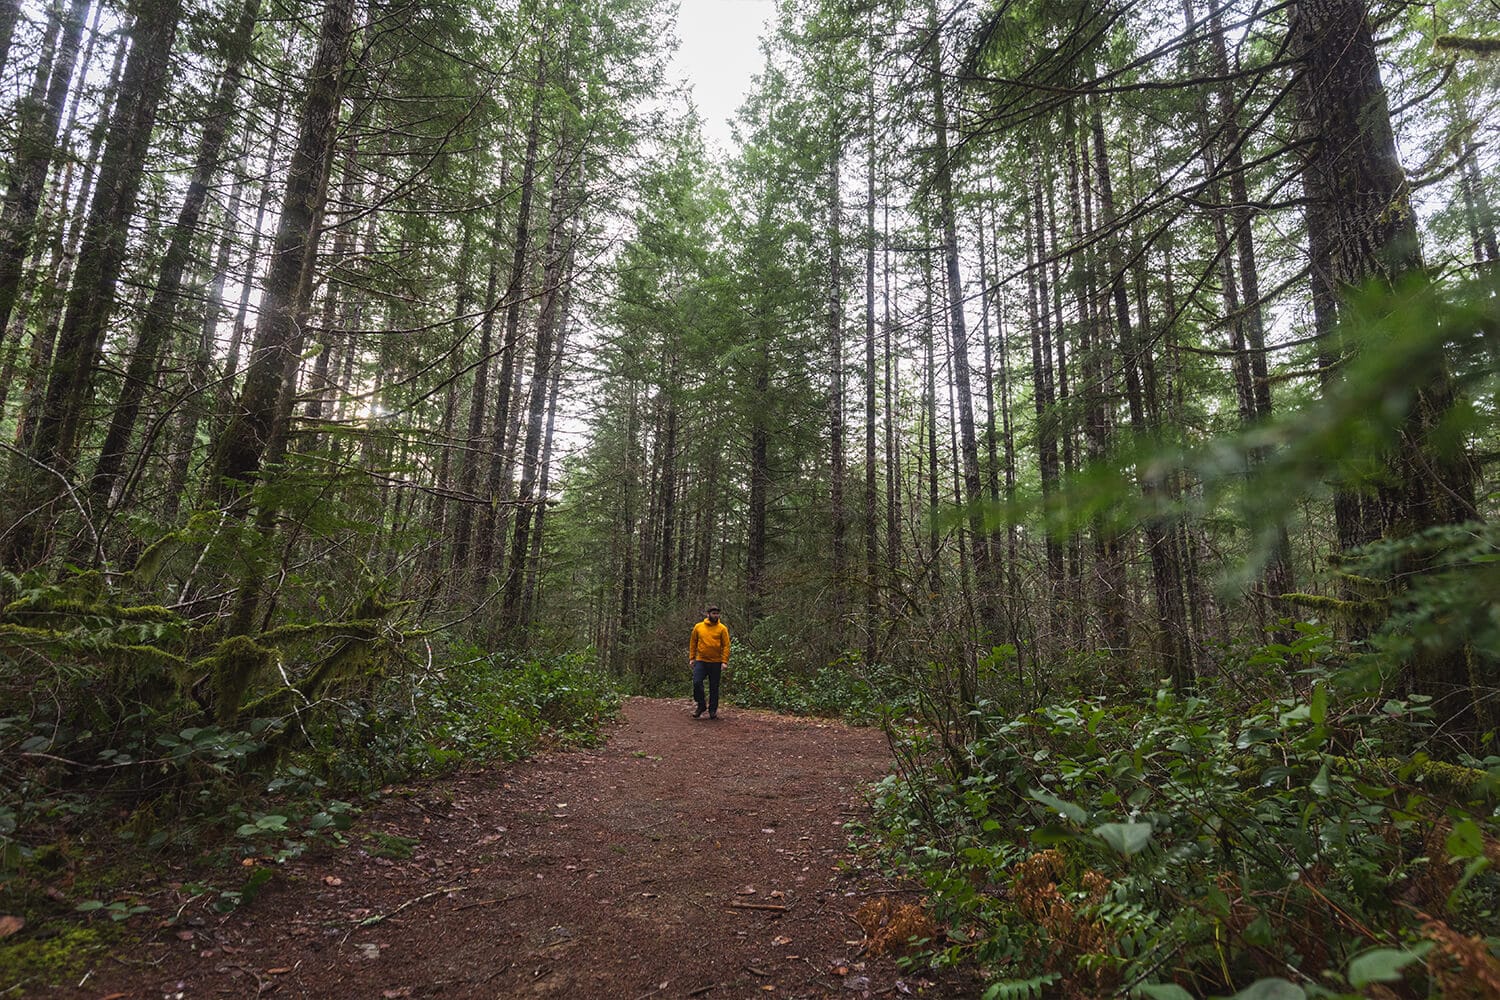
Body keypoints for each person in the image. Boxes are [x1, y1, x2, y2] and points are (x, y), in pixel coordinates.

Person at [689, 605, 729, 719]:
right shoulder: (698, 627)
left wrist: (724, 661)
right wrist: (692, 658)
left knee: (714, 687)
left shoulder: (722, 628)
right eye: (713, 613)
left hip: (716, 661)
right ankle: (701, 705)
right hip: (701, 660)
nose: (716, 615)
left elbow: (726, 645)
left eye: (717, 613)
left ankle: (713, 710)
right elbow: (693, 642)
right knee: (697, 682)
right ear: (708, 614)